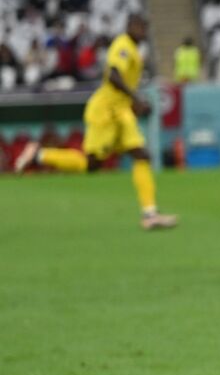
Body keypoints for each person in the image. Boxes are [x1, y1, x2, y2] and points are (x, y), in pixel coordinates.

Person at [14, 14, 178, 230]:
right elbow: (113, 76)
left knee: (141, 155)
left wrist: (133, 103)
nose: (143, 31)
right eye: (139, 27)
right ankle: (39, 154)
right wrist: (136, 99)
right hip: (107, 112)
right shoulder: (123, 45)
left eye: (145, 27)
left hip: (120, 112)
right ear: (129, 26)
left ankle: (149, 214)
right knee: (92, 164)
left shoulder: (132, 48)